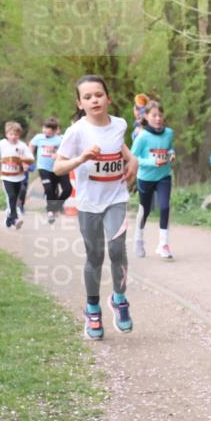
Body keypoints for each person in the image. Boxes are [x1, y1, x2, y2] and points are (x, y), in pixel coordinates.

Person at [53, 74, 139, 340]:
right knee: (95, 256)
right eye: (87, 97)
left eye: (99, 95)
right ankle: (92, 309)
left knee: (117, 250)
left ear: (108, 98)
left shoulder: (119, 124)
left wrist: (133, 161)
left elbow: (122, 149)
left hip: (116, 198)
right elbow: (57, 167)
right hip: (89, 203)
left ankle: (119, 299)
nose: (94, 100)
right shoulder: (76, 131)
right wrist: (81, 158)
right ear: (80, 103)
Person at [130, 100, 176, 259]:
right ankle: (138, 239)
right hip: (146, 178)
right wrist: (152, 162)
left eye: (160, 115)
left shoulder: (169, 133)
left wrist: (171, 154)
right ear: (146, 117)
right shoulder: (142, 136)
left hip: (164, 176)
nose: (158, 118)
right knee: (145, 210)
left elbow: (170, 148)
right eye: (154, 115)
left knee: (164, 207)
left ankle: (163, 244)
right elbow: (132, 159)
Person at [0, 121, 35, 230]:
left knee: (15, 199)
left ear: (19, 135)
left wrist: (23, 159)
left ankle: (9, 217)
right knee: (11, 196)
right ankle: (15, 219)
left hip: (19, 177)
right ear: (6, 134)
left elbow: (31, 159)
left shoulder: (22, 146)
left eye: (16, 134)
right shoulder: (1, 144)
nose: (13, 137)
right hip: (6, 177)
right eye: (11, 134)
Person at [29, 116, 69, 223]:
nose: (45, 130)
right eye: (44, 127)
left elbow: (67, 150)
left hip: (59, 167)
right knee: (49, 188)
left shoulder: (60, 139)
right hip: (43, 168)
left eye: (48, 129)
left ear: (55, 130)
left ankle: (57, 205)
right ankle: (50, 211)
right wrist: (30, 158)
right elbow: (31, 145)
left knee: (68, 189)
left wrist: (58, 155)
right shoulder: (39, 137)